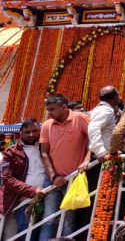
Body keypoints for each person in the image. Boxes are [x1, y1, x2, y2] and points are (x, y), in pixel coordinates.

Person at [39, 94, 91, 240]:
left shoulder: (80, 118)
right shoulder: (47, 125)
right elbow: (44, 153)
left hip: (72, 179)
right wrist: (53, 176)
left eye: (52, 109)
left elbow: (94, 140)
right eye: (48, 109)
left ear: (64, 107)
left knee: (68, 221)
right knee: (48, 219)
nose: (49, 113)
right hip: (52, 180)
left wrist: (86, 160)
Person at [1, 119, 47, 238]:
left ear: (40, 131)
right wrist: (32, 190)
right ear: (21, 133)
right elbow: (7, 178)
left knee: (46, 226)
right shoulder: (11, 153)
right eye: (27, 132)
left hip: (48, 194)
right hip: (24, 199)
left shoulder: (45, 146)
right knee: (26, 231)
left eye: (35, 131)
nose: (31, 134)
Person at [88, 86, 120, 161]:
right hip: (102, 158)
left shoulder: (101, 109)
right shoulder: (106, 110)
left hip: (103, 156)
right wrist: (100, 151)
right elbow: (93, 128)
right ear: (115, 97)